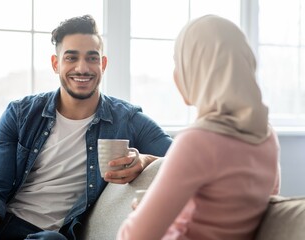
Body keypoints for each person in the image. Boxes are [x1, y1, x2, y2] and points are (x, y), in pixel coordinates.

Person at [0, 15, 172, 240]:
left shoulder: (128, 119)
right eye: (71, 58)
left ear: (103, 64)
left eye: (92, 58)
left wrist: (144, 161)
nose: (82, 68)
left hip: (47, 236)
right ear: (56, 64)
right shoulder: (20, 113)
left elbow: (184, 158)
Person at [117, 15, 280, 240]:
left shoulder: (198, 140)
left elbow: (133, 237)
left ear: (197, 70)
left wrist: (141, 214)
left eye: (180, 62)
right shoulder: (268, 137)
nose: (176, 74)